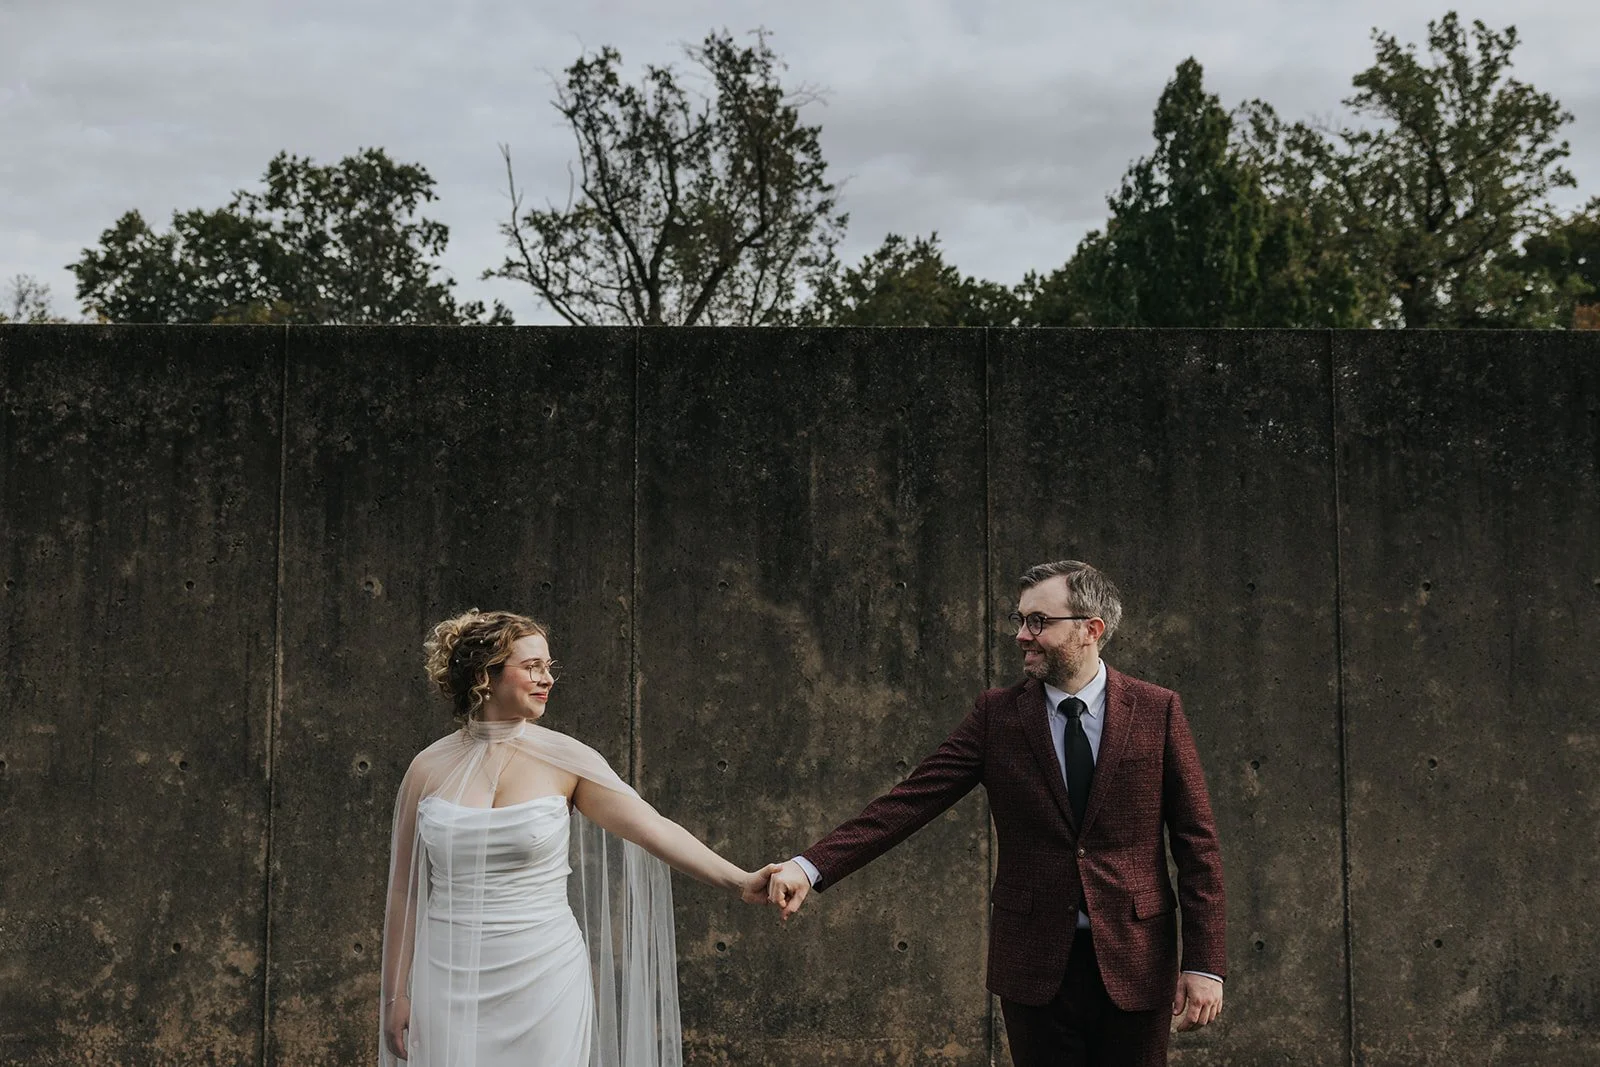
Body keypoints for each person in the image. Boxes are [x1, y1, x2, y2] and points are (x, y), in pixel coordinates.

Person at [767, 561, 1227, 1067]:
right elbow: (910, 801)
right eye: (1019, 619)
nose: (1021, 635)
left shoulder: (1157, 710)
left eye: (1038, 621)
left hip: (1137, 959)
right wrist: (810, 866)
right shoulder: (997, 716)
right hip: (1033, 963)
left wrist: (1205, 964)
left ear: (1090, 629)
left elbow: (1197, 844)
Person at [379, 609, 781, 1066]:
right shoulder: (427, 768)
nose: (547, 678)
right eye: (532, 666)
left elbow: (653, 828)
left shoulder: (566, 759)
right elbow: (404, 890)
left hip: (543, 976)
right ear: (484, 675)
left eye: (548, 666)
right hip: (446, 976)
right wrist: (396, 995)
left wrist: (740, 880)